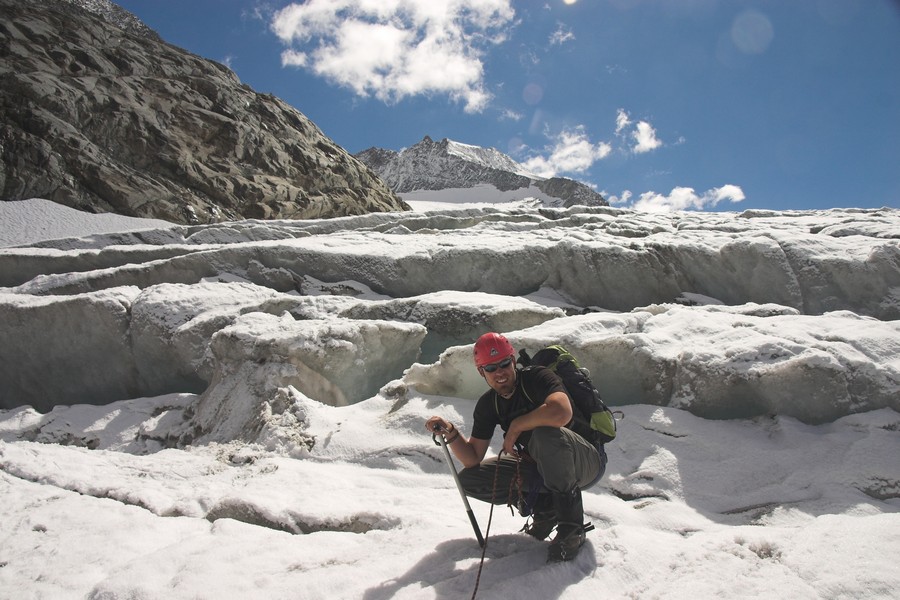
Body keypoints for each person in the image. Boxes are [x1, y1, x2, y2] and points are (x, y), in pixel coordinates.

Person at [425, 332, 607, 562]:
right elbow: (472, 458)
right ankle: (547, 511)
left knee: (544, 434)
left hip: (586, 462)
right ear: (481, 372)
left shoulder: (537, 377)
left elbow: (561, 412)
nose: (499, 372)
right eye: (491, 368)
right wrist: (450, 432)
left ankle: (572, 530)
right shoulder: (489, 404)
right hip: (543, 466)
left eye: (504, 364)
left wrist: (516, 426)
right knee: (470, 480)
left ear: (513, 361)